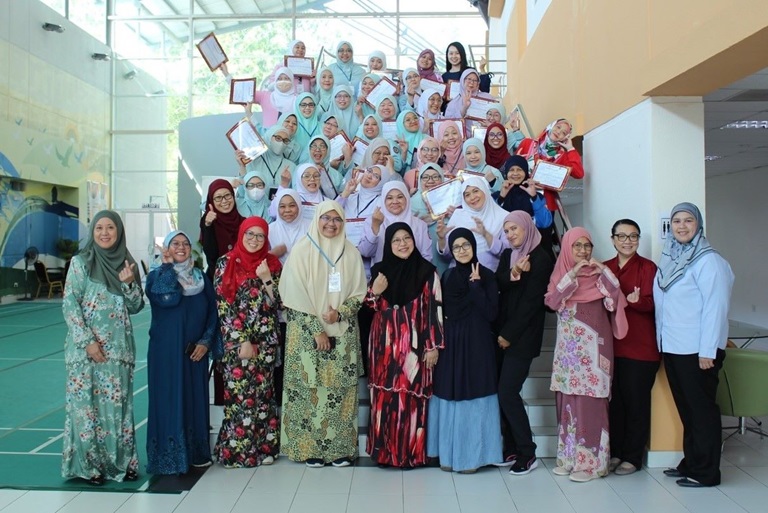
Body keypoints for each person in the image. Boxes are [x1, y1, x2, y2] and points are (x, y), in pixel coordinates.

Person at [279, 201, 366, 468]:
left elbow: (359, 293)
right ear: (316, 219)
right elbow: (292, 296)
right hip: (306, 335)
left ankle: (340, 449)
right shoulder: (301, 251)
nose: (331, 223)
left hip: (343, 333)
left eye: (337, 219)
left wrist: (339, 313)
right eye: (325, 218)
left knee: (341, 393)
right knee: (308, 393)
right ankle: (309, 450)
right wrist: (318, 329)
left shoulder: (351, 253)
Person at [653, 202, 734, 488]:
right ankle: (692, 461)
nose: (682, 226)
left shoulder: (708, 261)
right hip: (675, 347)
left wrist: (708, 351)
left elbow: (716, 308)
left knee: (701, 411)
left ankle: (707, 472)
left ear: (698, 225)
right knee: (688, 409)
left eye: (688, 220)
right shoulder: (672, 257)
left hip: (698, 350)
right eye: (677, 221)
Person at [61, 210, 144, 485]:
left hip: (117, 352)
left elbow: (135, 306)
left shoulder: (127, 264)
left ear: (119, 231)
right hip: (86, 352)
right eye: (99, 228)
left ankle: (122, 462)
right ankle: (90, 467)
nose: (105, 233)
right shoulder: (80, 262)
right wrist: (87, 342)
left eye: (110, 227)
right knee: (86, 410)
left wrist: (129, 284)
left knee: (118, 409)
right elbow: (70, 304)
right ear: (92, 232)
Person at [544, 227, 628, 482]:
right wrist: (572, 274)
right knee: (568, 402)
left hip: (594, 350)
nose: (582, 251)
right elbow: (552, 302)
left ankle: (593, 464)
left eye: (587, 246)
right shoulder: (561, 276)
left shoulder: (601, 277)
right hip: (568, 354)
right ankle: (570, 459)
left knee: (591, 404)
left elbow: (616, 301)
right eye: (577, 246)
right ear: (568, 249)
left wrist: (605, 272)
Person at [366, 222, 443, 468]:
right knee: (384, 399)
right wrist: (375, 292)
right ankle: (384, 453)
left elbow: (436, 309)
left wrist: (433, 345)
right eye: (396, 240)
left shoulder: (428, 271)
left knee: (412, 401)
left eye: (406, 238)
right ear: (388, 245)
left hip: (415, 348)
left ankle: (411, 454)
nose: (402, 244)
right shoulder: (380, 270)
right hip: (384, 348)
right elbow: (369, 307)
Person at [428, 227, 501, 473]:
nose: (461, 251)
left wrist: (476, 287)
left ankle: (473, 455)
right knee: (449, 392)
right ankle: (449, 455)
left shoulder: (488, 275)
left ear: (473, 246)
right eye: (456, 247)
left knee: (475, 390)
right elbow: (439, 312)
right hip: (451, 342)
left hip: (478, 343)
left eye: (466, 245)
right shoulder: (446, 277)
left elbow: (492, 313)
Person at [145, 231, 217, 474]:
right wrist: (166, 267)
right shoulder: (156, 276)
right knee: (168, 400)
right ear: (166, 247)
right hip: (166, 354)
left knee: (194, 399)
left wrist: (205, 342)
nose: (181, 247)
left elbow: (213, 312)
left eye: (185, 243)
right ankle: (168, 458)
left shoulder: (200, 278)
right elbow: (167, 299)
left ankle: (196, 453)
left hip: (195, 352)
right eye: (175, 243)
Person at [213, 217, 282, 468]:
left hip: (265, 341)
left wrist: (266, 279)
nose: (254, 240)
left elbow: (279, 304)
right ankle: (236, 452)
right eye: (250, 234)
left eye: (260, 235)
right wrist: (242, 340)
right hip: (237, 343)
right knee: (240, 397)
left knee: (263, 397)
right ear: (241, 234)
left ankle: (264, 449)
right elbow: (224, 305)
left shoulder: (272, 265)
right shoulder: (226, 263)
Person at [494, 211, 554, 474]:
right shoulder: (509, 256)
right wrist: (515, 272)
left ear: (527, 228)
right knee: (501, 392)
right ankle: (511, 448)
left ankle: (527, 453)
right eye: (507, 231)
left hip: (521, 337)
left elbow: (531, 304)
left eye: (515, 229)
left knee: (508, 392)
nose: (510, 235)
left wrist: (508, 335)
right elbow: (499, 284)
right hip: (502, 333)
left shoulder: (541, 257)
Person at [603, 219, 659, 476]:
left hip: (640, 349)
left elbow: (653, 305)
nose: (627, 241)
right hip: (611, 347)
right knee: (615, 404)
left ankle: (633, 457)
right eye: (622, 236)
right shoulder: (605, 268)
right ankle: (615, 452)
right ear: (613, 239)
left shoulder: (648, 268)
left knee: (636, 403)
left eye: (633, 236)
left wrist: (636, 302)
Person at [436, 176, 508, 271]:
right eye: (467, 195)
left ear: (484, 190)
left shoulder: (503, 217)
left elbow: (507, 254)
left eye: (476, 191)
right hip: (460, 276)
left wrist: (486, 235)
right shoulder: (458, 216)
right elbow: (448, 255)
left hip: (490, 276)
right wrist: (442, 239)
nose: (473, 197)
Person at [515, 118, 584, 212]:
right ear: (551, 126)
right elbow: (513, 166)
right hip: (522, 197)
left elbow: (579, 173)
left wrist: (570, 149)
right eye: (558, 127)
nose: (558, 132)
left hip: (545, 204)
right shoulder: (527, 143)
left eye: (563, 133)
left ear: (565, 138)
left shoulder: (562, 157)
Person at [357, 181, 432, 265]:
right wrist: (375, 227)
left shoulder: (420, 224)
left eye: (400, 197)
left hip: (415, 276)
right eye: (389, 198)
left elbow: (427, 256)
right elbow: (365, 252)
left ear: (406, 198)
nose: (395, 201)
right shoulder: (372, 221)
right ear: (383, 200)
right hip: (382, 276)